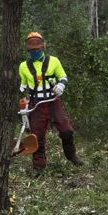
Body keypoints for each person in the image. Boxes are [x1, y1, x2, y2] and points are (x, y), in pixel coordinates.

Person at [18, 31, 80, 173]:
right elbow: (24, 83)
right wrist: (22, 87)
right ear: (27, 49)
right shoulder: (23, 66)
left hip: (53, 101)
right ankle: (39, 167)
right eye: (32, 49)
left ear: (43, 46)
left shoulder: (54, 61)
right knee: (36, 137)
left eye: (37, 48)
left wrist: (61, 85)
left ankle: (72, 156)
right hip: (36, 104)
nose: (35, 51)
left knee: (67, 131)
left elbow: (63, 76)